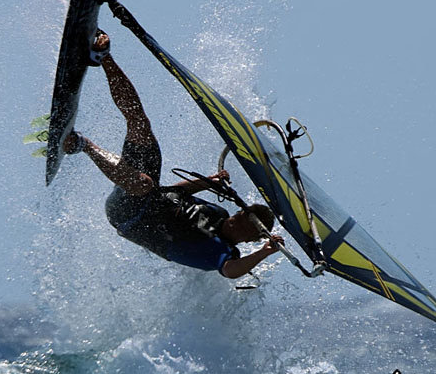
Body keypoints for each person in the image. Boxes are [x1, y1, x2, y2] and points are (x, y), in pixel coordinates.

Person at [63, 30, 285, 279]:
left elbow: (231, 272)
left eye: (248, 222)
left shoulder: (223, 251)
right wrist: (209, 182)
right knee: (141, 126)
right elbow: (178, 194)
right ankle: (103, 57)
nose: (239, 217)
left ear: (252, 238)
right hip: (145, 192)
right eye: (244, 212)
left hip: (129, 217)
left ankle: (82, 145)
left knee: (144, 184)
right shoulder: (219, 214)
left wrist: (266, 251)